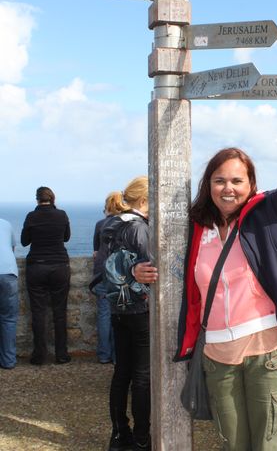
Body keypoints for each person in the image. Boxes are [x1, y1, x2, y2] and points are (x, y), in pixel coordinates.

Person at [135, 68, 277, 451]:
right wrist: (140, 271)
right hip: (217, 357)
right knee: (233, 446)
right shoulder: (194, 228)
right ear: (209, 185)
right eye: (220, 180)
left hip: (268, 353)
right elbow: (167, 267)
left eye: (238, 180)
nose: (228, 188)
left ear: (251, 184)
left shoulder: (269, 215)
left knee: (265, 447)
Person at [102, 177, 153, 451]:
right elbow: (150, 267)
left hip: (116, 306)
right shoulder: (139, 228)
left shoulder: (109, 225)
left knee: (121, 372)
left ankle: (120, 434)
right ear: (144, 201)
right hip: (140, 307)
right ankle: (142, 438)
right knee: (143, 375)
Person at [21, 186, 71, 365]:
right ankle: (62, 355)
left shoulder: (31, 216)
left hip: (37, 267)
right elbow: (66, 238)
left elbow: (24, 241)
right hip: (59, 266)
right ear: (52, 198)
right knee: (60, 312)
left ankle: (40, 356)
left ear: (37, 199)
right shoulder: (62, 215)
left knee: (38, 312)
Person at [89, 192, 125, 364]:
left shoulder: (100, 224)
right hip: (119, 273)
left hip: (101, 272)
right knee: (119, 315)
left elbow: (96, 251)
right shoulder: (127, 223)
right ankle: (119, 355)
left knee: (104, 314)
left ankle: (104, 355)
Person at [0, 218, 19, 370]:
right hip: (8, 272)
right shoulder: (6, 223)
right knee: (9, 319)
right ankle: (8, 361)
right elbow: (12, 249)